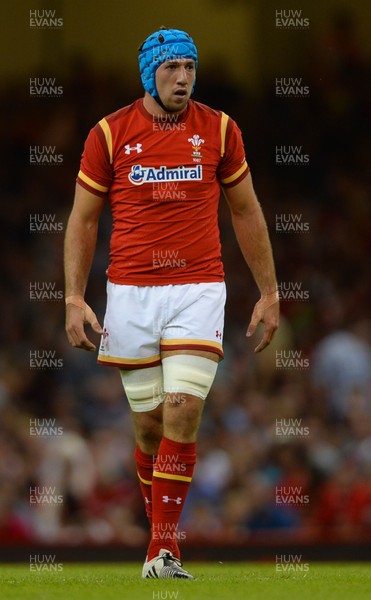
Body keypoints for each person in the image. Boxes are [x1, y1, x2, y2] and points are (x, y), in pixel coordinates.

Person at [64, 27, 279, 579]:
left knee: (183, 411)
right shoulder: (109, 134)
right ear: (149, 73)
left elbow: (247, 210)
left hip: (198, 289)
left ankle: (162, 550)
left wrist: (270, 291)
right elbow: (83, 220)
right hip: (130, 293)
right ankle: (162, 543)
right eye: (171, 68)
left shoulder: (221, 129)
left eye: (190, 67)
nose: (183, 78)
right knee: (149, 427)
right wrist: (72, 296)